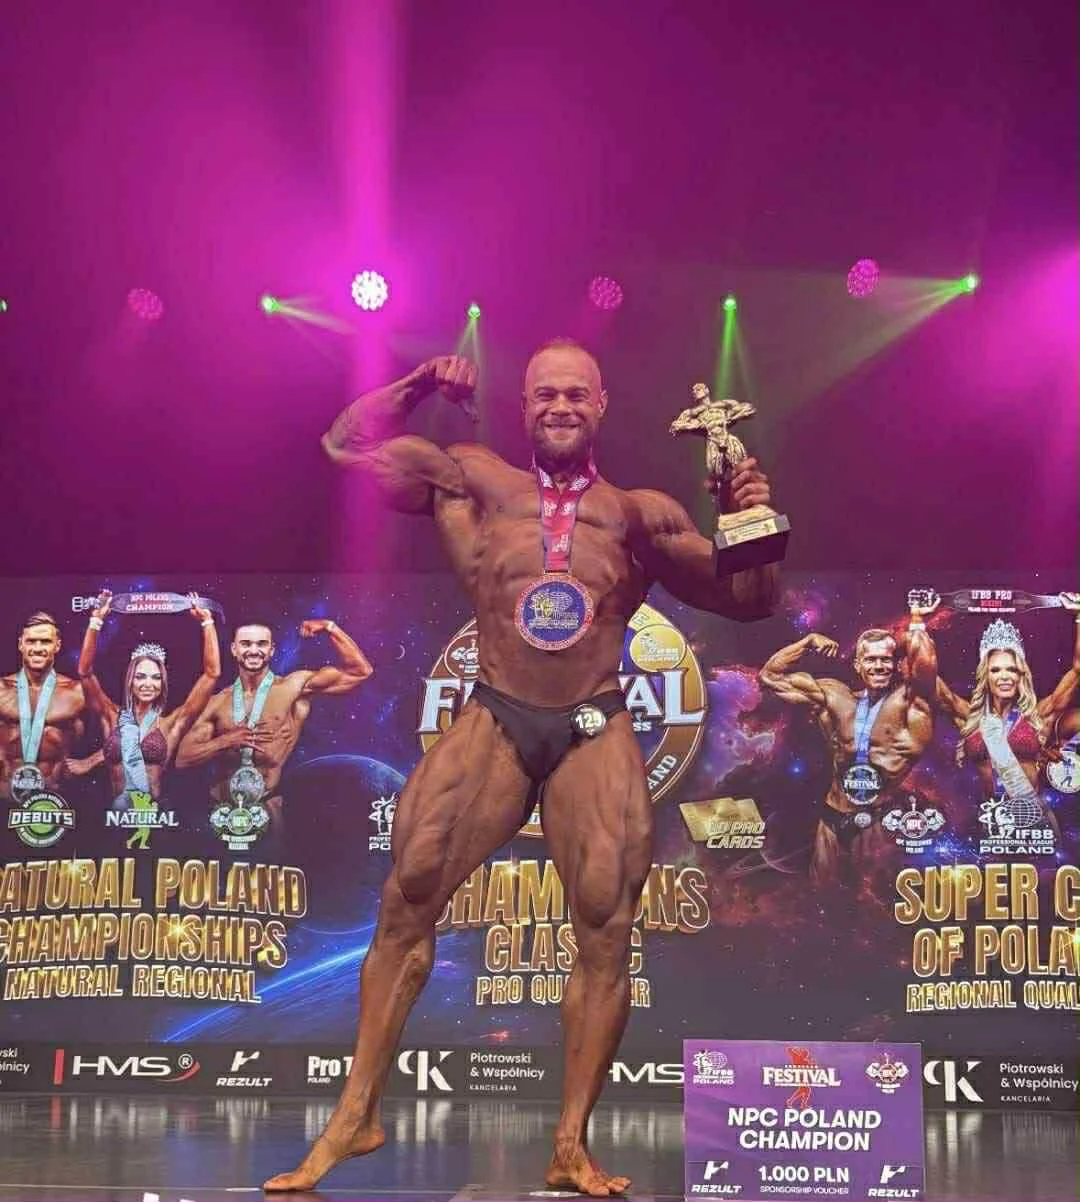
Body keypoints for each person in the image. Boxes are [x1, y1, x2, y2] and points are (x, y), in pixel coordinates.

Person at [264, 342, 779, 1197]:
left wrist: (748, 521)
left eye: (577, 393)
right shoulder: (471, 480)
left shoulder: (640, 516)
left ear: (601, 405)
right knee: (407, 896)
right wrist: (419, 382)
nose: (561, 406)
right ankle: (356, 1114)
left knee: (605, 927)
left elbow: (752, 601)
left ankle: (570, 1144)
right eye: (546, 394)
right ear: (525, 406)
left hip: (592, 721)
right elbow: (344, 446)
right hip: (497, 711)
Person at [758, 595, 940, 887]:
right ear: (857, 664)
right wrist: (807, 642)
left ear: (896, 665)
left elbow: (925, 666)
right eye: (871, 659)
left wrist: (917, 621)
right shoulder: (834, 696)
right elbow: (770, 675)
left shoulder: (910, 702)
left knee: (872, 902)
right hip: (831, 817)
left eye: (885, 659)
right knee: (824, 894)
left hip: (876, 820)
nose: (879, 666)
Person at [175, 618, 373, 830]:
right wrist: (225, 741)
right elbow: (183, 759)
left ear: (271, 650)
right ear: (234, 649)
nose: (254, 650)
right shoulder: (216, 702)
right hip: (221, 811)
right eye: (246, 644)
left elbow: (360, 672)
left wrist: (329, 627)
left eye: (261, 644)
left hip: (266, 807)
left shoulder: (293, 688)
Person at [74, 589, 220, 848]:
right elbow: (85, 672)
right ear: (130, 680)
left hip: (155, 818)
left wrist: (207, 623)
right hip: (115, 817)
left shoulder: (171, 723)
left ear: (162, 683)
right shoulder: (111, 715)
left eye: (155, 677)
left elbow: (211, 675)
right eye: (140, 676)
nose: (147, 683)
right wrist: (96, 621)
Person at [936, 594, 1080, 836]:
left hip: (1032, 825)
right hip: (989, 823)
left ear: (1021, 674)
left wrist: (1079, 616)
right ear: (985, 676)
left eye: (1012, 669)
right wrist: (918, 620)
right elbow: (928, 683)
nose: (1004, 676)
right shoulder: (968, 716)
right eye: (995, 670)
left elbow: (1077, 670)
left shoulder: (1039, 715)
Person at [0, 612, 87, 803]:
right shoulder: (1, 689)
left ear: (57, 645)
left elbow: (121, 726)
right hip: (4, 796)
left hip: (54, 801)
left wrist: (89, 762)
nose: (38, 648)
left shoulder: (77, 692)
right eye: (31, 641)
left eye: (45, 641)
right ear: (21, 644)